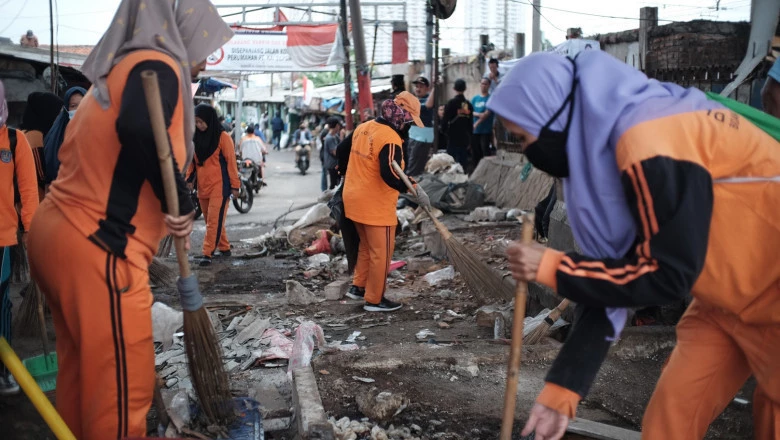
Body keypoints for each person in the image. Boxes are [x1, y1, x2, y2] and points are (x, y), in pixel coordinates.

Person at [489, 51, 780, 440]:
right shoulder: (599, 162)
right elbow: (609, 276)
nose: (528, 153)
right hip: (722, 302)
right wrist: (562, 391)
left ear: (555, 117)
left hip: (773, 297)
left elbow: (669, 274)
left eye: (525, 138)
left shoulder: (651, 136)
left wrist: (555, 268)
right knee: (668, 423)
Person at [26, 2, 233, 438]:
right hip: (98, 246)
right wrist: (177, 198)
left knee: (85, 377)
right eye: (207, 41)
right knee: (122, 393)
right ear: (183, 27)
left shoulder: (122, 70)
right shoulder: (156, 65)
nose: (205, 56)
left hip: (62, 235)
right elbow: (141, 128)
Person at [342, 92, 431, 312]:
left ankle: (358, 287)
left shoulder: (365, 127)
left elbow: (342, 151)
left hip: (353, 199)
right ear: (401, 117)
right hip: (375, 207)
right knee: (382, 253)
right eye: (409, 122)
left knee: (366, 247)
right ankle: (375, 300)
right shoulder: (390, 137)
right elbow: (390, 173)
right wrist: (413, 189)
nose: (409, 128)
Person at [0, 80, 39, 395]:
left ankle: (3, 370)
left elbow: (28, 190)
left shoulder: (14, 141)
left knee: (1, 304)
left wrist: (30, 229)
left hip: (2, 238)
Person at [188, 104, 241, 267]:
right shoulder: (194, 138)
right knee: (212, 221)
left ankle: (207, 253)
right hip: (203, 187)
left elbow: (231, 163)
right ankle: (224, 247)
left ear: (209, 120)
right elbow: (192, 162)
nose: (198, 125)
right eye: (196, 122)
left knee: (213, 221)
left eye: (201, 122)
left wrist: (235, 186)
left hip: (220, 186)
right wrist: (189, 180)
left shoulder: (223, 137)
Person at [19, 92, 64, 199]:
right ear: (46, 113)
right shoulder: (34, 136)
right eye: (57, 113)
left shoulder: (24, 133)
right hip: (37, 200)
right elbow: (42, 174)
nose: (58, 117)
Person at [43, 86, 88, 184]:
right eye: (73, 106)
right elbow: (50, 165)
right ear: (66, 108)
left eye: (82, 104)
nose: (78, 109)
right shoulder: (57, 135)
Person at [406, 76, 436, 176]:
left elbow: (428, 105)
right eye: (416, 86)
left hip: (422, 138)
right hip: (413, 136)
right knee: (412, 164)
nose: (418, 89)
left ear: (427, 88)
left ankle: (411, 189)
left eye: (421, 87)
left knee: (413, 168)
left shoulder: (428, 100)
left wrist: (435, 87)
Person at [442, 79, 473, 170]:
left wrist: (444, 131)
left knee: (451, 161)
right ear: (465, 89)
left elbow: (445, 120)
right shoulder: (468, 105)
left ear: (454, 89)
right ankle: (462, 180)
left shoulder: (451, 103)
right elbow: (470, 123)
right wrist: (470, 138)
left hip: (452, 137)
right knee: (462, 162)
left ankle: (451, 181)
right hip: (464, 137)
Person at [471, 77, 495, 170]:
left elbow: (486, 115)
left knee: (485, 151)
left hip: (485, 130)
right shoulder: (475, 99)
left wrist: (476, 124)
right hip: (474, 131)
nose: (483, 86)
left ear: (489, 85)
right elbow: (469, 111)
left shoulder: (490, 99)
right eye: (482, 83)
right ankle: (475, 171)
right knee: (475, 153)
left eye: (485, 84)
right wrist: (478, 114)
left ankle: (486, 171)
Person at [323, 118, 342, 189]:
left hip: (334, 163)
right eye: (339, 125)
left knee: (337, 182)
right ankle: (332, 198)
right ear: (337, 126)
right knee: (334, 183)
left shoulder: (335, 136)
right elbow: (334, 152)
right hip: (332, 164)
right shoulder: (330, 138)